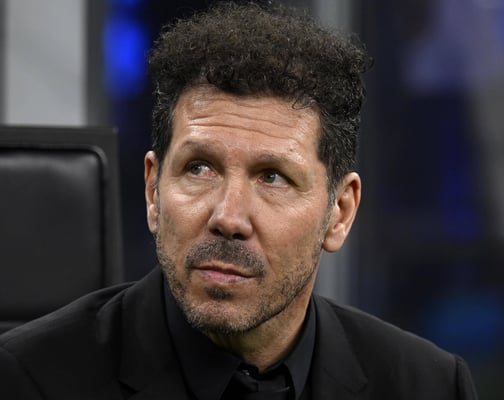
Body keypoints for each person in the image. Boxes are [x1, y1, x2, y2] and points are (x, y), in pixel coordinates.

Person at [0, 1, 478, 399]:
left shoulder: (430, 386)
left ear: (340, 212)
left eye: (272, 177)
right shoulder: (28, 380)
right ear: (152, 190)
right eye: (199, 168)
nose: (228, 217)